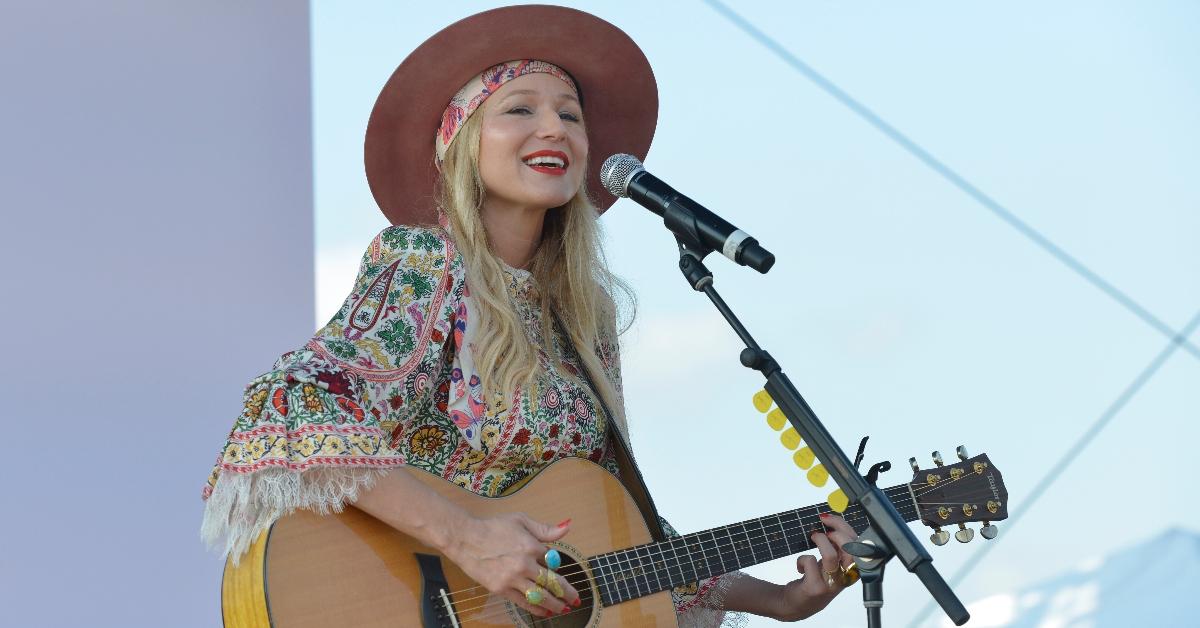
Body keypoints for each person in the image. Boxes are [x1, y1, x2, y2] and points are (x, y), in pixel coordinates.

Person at [201, 5, 857, 626]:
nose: (555, 129)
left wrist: (778, 598)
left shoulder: (582, 319)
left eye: (571, 116)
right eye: (521, 109)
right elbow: (290, 406)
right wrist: (466, 538)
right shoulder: (428, 263)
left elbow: (613, 540)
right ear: (460, 143)